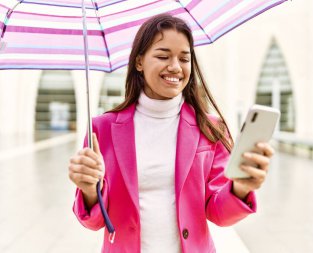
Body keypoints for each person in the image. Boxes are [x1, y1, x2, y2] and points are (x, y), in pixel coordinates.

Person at [69, 13, 274, 253]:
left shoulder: (210, 129)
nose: (175, 67)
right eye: (163, 56)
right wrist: (88, 190)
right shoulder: (100, 129)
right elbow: (94, 221)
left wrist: (240, 188)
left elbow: (218, 213)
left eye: (184, 58)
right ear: (139, 62)